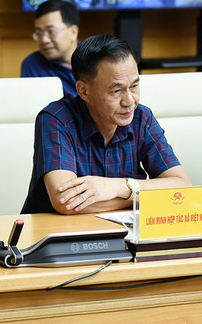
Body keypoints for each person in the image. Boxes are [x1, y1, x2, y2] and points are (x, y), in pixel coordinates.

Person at [21, 34, 191, 214]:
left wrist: (119, 187)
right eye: (116, 91)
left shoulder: (141, 117)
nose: (129, 101)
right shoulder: (56, 119)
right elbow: (67, 202)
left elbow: (182, 187)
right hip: (58, 235)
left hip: (125, 234)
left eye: (134, 87)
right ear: (84, 91)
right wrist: (140, 198)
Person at [20, 0, 79, 97]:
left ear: (73, 32)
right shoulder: (32, 64)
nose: (44, 40)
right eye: (39, 33)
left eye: (51, 31)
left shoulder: (96, 59)